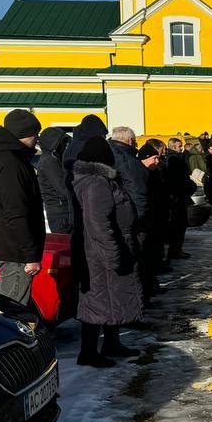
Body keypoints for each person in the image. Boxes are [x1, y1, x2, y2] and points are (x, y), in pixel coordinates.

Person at [70, 136, 143, 367]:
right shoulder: (95, 183)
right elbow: (98, 224)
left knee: (111, 299)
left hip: (102, 250)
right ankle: (89, 352)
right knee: (97, 302)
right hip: (99, 253)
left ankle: (112, 343)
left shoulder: (98, 180)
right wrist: (113, 255)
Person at [0, 109, 45, 307]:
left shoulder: (2, 156)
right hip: (14, 250)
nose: (37, 138)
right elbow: (16, 211)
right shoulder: (10, 161)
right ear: (24, 134)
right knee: (14, 310)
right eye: (35, 134)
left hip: (6, 244)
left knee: (12, 307)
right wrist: (30, 255)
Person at [137, 140, 167, 303]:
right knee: (146, 261)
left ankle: (151, 286)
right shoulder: (141, 174)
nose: (158, 161)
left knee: (153, 258)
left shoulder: (152, 172)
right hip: (148, 222)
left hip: (156, 220)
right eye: (155, 158)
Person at [35, 126, 73, 234]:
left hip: (59, 211)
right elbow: (62, 189)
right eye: (62, 143)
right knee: (67, 246)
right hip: (60, 213)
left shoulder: (52, 158)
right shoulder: (49, 161)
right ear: (54, 143)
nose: (65, 146)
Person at [108, 126, 148, 228]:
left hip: (112, 210)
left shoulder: (108, 154)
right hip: (129, 213)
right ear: (130, 141)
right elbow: (136, 188)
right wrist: (142, 218)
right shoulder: (127, 160)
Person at [164, 137, 195, 261]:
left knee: (179, 225)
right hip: (177, 197)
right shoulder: (174, 160)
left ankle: (176, 250)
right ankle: (175, 250)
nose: (181, 148)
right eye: (179, 146)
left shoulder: (176, 158)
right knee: (178, 225)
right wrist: (190, 187)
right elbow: (179, 180)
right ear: (173, 147)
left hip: (179, 196)